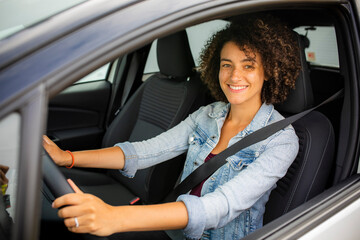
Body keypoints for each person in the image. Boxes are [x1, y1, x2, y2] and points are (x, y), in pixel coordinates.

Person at [43, 14, 301, 240]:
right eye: (227, 65)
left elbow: (221, 206)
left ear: (268, 71)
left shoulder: (280, 139)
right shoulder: (208, 115)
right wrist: (68, 158)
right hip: (175, 232)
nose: (234, 76)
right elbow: (146, 151)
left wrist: (114, 217)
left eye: (248, 65)